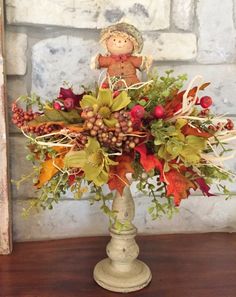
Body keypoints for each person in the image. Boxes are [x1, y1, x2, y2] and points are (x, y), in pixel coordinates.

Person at [93, 22, 152, 87]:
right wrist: (96, 61)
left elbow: (141, 62)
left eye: (125, 41)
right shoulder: (109, 59)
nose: (119, 43)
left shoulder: (132, 59)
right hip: (112, 82)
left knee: (136, 89)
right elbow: (100, 61)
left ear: (134, 45)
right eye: (114, 40)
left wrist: (146, 62)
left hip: (131, 83)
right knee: (107, 90)